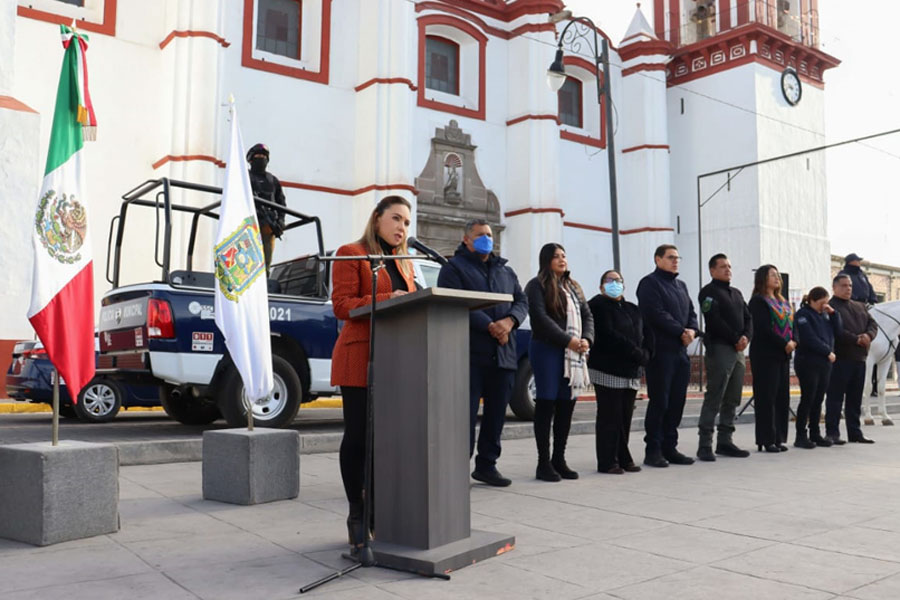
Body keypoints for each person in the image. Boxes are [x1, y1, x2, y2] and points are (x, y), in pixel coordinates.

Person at [330, 196, 416, 554]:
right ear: (377, 218)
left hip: (397, 359)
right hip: (360, 355)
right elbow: (342, 305)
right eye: (396, 218)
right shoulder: (352, 252)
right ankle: (357, 513)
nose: (402, 227)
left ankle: (382, 512)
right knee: (360, 437)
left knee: (387, 440)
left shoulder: (406, 262)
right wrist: (386, 298)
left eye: (407, 223)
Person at [437, 219, 528, 487]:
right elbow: (453, 302)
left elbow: (521, 301)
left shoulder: (506, 272)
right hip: (469, 354)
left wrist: (509, 322)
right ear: (466, 239)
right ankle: (455, 469)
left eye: (489, 235)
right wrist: (489, 325)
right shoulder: (453, 268)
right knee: (462, 416)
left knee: (496, 414)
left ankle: (487, 465)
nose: (487, 239)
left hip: (503, 353)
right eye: (480, 235)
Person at [525, 243, 593, 482]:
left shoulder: (573, 286)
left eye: (564, 255)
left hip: (573, 352)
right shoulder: (536, 285)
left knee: (566, 405)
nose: (562, 259)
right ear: (546, 260)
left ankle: (559, 459)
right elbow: (540, 319)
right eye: (556, 256)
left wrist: (586, 339)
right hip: (547, 349)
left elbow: (587, 315)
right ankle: (543, 463)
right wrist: (568, 340)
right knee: (546, 403)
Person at [637, 244, 699, 468]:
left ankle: (669, 447)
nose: (675, 261)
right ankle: (653, 449)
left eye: (677, 257)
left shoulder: (681, 286)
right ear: (657, 259)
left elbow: (692, 313)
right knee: (660, 402)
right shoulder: (649, 284)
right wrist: (680, 331)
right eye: (670, 257)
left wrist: (692, 330)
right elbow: (655, 313)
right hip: (660, 352)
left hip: (681, 353)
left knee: (677, 402)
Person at [587, 270, 648, 474]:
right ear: (601, 286)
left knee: (624, 416)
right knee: (609, 416)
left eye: (618, 280)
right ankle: (607, 460)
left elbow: (645, 332)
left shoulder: (632, 308)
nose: (615, 283)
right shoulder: (596, 306)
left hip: (631, 369)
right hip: (608, 368)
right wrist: (634, 351)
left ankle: (623, 456)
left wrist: (646, 353)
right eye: (610, 280)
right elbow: (607, 334)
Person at [696, 253, 753, 461]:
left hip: (738, 351)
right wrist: (735, 338)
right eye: (722, 267)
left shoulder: (737, 293)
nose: (728, 270)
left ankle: (725, 441)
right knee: (715, 396)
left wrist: (746, 337)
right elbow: (714, 320)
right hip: (720, 348)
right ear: (712, 270)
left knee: (733, 397)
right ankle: (705, 444)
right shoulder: (708, 293)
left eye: (729, 266)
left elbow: (748, 318)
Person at [825, 274, 878, 444]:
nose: (848, 288)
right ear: (834, 287)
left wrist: (868, 336)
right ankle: (832, 433)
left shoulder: (860, 306)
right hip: (840, 358)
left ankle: (855, 432)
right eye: (843, 285)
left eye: (850, 286)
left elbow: (873, 324)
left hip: (859, 358)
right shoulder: (831, 307)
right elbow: (837, 331)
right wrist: (856, 339)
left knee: (855, 399)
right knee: (835, 398)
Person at [748, 265, 795, 453]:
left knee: (782, 397)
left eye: (777, 275)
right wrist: (784, 342)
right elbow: (763, 329)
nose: (776, 278)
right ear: (762, 279)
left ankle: (778, 437)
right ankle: (766, 439)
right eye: (772, 275)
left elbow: (793, 325)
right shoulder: (758, 301)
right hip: (766, 354)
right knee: (766, 397)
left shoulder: (784, 302)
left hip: (784, 354)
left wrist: (794, 341)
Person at [793, 286, 842, 448]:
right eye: (822, 302)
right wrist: (827, 351)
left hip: (824, 363)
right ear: (812, 300)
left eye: (826, 303)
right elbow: (808, 338)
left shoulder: (826, 316)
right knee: (808, 398)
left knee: (819, 399)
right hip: (808, 361)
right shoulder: (803, 315)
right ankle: (801, 435)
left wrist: (834, 314)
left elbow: (838, 331)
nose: (824, 306)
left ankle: (815, 433)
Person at [246, 143, 286, 270]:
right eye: (258, 155)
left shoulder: (272, 180)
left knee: (265, 263)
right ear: (251, 159)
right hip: (248, 225)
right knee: (247, 262)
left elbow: (281, 203)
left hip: (268, 227)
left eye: (264, 156)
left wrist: (280, 221)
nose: (261, 158)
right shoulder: (245, 177)